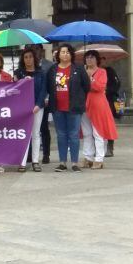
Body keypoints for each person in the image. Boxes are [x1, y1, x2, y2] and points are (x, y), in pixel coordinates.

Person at [47, 44, 90, 173]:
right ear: (58, 55)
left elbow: (86, 86)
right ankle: (62, 163)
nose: (65, 54)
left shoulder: (79, 69)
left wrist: (79, 99)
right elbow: (49, 87)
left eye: (67, 52)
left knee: (74, 135)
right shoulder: (52, 69)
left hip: (74, 107)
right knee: (61, 135)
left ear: (71, 54)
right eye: (62, 52)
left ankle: (75, 163)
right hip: (57, 107)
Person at [81, 50, 117, 169]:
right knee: (87, 133)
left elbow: (99, 86)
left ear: (97, 59)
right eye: (87, 57)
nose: (89, 59)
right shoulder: (82, 71)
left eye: (92, 57)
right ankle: (88, 157)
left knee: (98, 132)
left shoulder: (102, 72)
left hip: (98, 105)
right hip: (84, 105)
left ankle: (99, 158)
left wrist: (88, 79)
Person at [14, 47, 47, 173]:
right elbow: (15, 90)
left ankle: (35, 161)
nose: (28, 59)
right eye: (26, 57)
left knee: (36, 134)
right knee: (23, 135)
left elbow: (44, 90)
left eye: (30, 57)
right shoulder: (18, 72)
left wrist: (38, 105)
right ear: (23, 59)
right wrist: (20, 81)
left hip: (37, 107)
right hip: (23, 107)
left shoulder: (41, 73)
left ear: (35, 58)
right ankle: (22, 162)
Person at [35, 45, 54, 164]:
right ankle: (31, 154)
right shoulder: (26, 65)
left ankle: (46, 154)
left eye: (37, 49)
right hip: (30, 101)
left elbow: (51, 84)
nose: (35, 52)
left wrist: (48, 97)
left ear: (42, 51)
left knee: (43, 128)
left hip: (44, 101)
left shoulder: (49, 65)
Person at [100, 55, 122, 158]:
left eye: (104, 59)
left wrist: (106, 91)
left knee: (109, 124)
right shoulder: (93, 71)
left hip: (108, 101)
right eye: (100, 60)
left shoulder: (110, 71)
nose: (102, 62)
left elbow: (117, 84)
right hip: (96, 101)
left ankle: (110, 146)